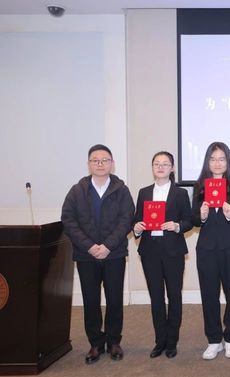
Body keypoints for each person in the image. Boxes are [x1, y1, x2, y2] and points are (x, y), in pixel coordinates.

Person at [61, 144, 134, 364]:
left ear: (112, 164)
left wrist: (108, 246)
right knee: (91, 300)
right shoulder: (77, 191)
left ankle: (114, 342)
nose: (100, 164)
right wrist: (90, 246)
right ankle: (95, 343)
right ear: (89, 164)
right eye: (95, 160)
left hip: (114, 254)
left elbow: (126, 219)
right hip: (86, 256)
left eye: (105, 160)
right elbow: (68, 220)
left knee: (114, 299)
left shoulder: (121, 190)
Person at [192, 142, 230, 360]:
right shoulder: (199, 186)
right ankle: (214, 340)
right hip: (207, 248)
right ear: (207, 162)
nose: (217, 163)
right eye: (213, 159)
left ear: (228, 162)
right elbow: (192, 218)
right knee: (209, 295)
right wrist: (201, 215)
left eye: (222, 159)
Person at [132, 151, 193, 359]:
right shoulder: (144, 192)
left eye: (165, 164)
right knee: (156, 297)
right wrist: (137, 228)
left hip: (173, 251)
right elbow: (137, 219)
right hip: (150, 251)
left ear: (172, 168)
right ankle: (160, 341)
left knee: (174, 296)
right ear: (152, 168)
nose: (160, 167)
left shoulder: (180, 193)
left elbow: (189, 221)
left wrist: (176, 226)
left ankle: (172, 341)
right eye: (156, 164)